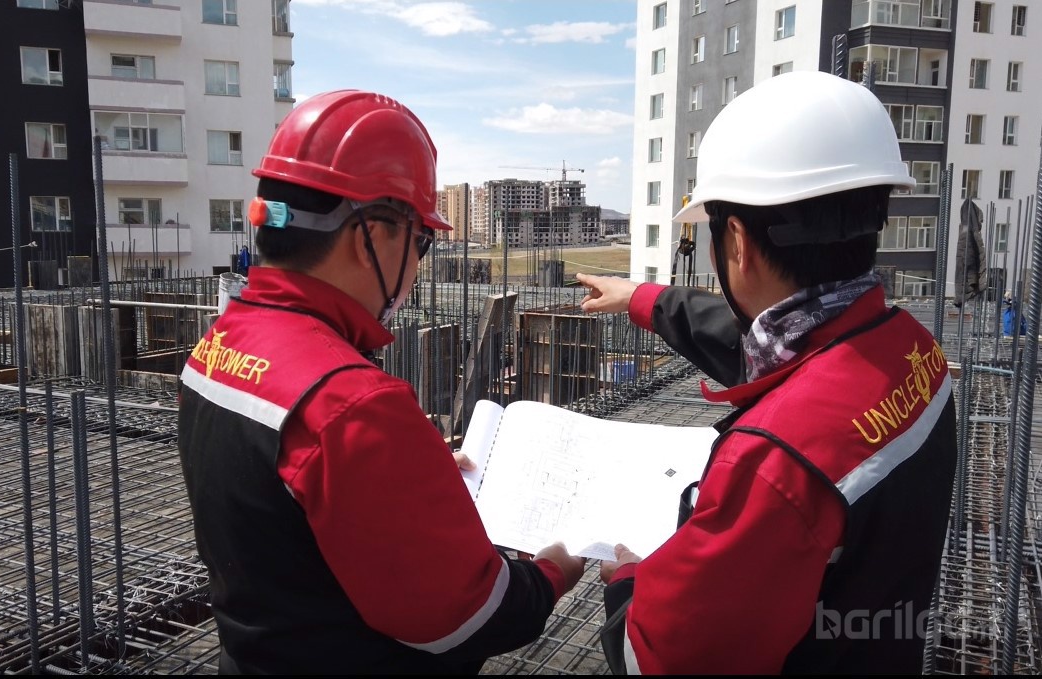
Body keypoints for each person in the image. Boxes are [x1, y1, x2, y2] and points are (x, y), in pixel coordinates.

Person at [177, 89, 585, 674]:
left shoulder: (220, 343)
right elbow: (465, 615)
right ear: (369, 235)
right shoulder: (352, 403)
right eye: (420, 241)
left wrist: (402, 472)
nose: (417, 267)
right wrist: (549, 575)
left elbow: (290, 508)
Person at [577, 71, 958, 674]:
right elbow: (767, 347)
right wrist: (642, 299)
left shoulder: (774, 463)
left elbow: (659, 659)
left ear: (736, 241)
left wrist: (628, 583)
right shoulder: (912, 349)